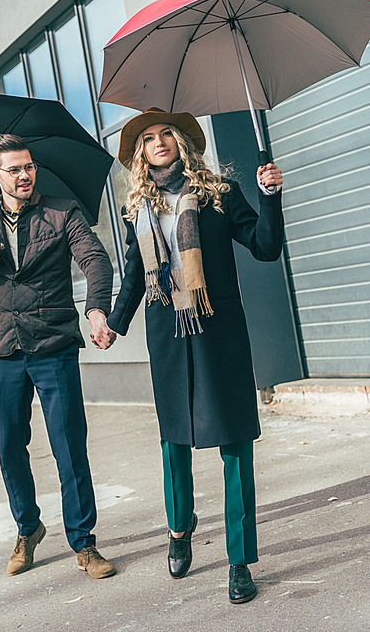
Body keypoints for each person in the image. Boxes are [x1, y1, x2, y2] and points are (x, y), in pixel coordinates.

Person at [105, 108, 284, 604]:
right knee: (174, 442)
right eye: (148, 138)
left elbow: (265, 248)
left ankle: (239, 560)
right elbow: (136, 277)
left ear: (183, 142)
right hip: (167, 334)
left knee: (234, 444)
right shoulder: (135, 208)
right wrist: (114, 325)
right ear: (139, 153)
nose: (158, 141)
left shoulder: (218, 195)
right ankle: (180, 529)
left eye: (167, 133)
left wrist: (270, 196)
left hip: (217, 330)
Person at [0, 133, 117, 579]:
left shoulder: (62, 211)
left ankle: (84, 543)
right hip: (3, 348)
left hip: (53, 344)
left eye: (29, 167)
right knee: (8, 444)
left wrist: (97, 309)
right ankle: (28, 529)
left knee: (68, 446)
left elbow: (96, 260)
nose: (24, 175)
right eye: (14, 169)